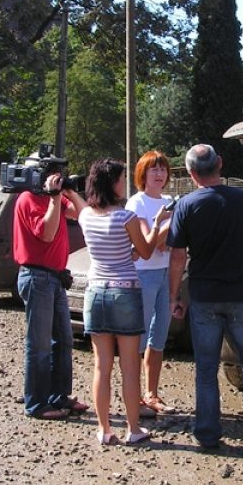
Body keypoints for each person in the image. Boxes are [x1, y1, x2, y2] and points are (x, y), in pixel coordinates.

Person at [167, 144, 243, 451]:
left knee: (206, 368)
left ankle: (207, 434)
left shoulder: (186, 206)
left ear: (191, 173)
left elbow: (177, 257)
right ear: (220, 163)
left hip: (204, 296)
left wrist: (174, 295)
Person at [79, 158, 170, 446]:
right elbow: (144, 251)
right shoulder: (125, 217)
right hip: (125, 292)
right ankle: (133, 429)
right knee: (129, 365)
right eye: (120, 179)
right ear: (112, 183)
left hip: (95, 292)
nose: (124, 183)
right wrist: (157, 225)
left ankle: (104, 429)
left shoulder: (86, 217)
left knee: (101, 366)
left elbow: (118, 252)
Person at [13, 172, 90, 421]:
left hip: (55, 279)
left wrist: (70, 192)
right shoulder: (27, 199)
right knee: (40, 345)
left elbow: (82, 215)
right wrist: (55, 198)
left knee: (64, 341)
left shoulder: (53, 198)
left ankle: (58, 395)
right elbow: (46, 233)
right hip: (37, 278)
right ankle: (36, 403)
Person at [125, 151, 178, 417]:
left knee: (159, 337)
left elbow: (172, 244)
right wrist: (172, 221)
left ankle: (151, 393)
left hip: (167, 272)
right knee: (140, 337)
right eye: (153, 169)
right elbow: (149, 243)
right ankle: (135, 397)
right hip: (143, 274)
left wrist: (168, 223)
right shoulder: (137, 203)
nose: (159, 174)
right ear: (142, 174)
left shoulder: (169, 202)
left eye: (162, 169)